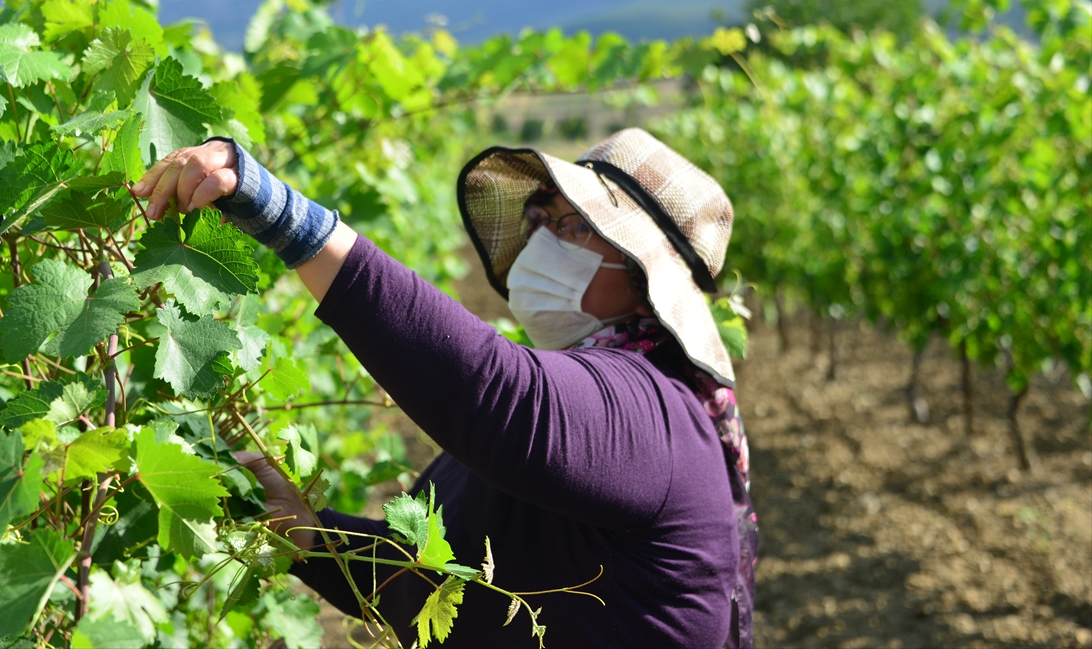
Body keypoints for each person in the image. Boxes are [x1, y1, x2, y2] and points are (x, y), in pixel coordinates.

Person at [131, 128, 758, 649]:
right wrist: (313, 536)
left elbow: (500, 395)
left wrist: (289, 221)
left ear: (644, 276)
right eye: (543, 220)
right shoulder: (609, 409)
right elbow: (437, 583)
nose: (542, 241)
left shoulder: (655, 416)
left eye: (572, 229)